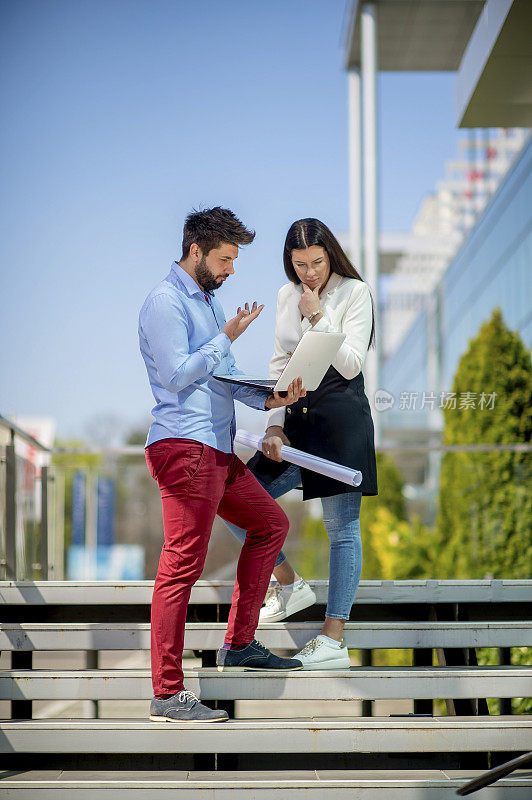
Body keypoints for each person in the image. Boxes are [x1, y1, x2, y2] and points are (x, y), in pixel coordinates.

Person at [139, 207, 307, 724]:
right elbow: (176, 376)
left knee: (271, 524)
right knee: (181, 566)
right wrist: (225, 337)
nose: (232, 269)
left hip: (217, 448)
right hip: (184, 448)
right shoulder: (165, 303)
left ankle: (239, 643)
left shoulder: (208, 305)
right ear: (196, 251)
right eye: (225, 259)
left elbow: (226, 379)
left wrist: (273, 399)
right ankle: (167, 694)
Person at [223, 217, 378, 670]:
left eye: (316, 262)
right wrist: (272, 424)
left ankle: (333, 638)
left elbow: (350, 364)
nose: (309, 273)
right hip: (293, 418)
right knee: (237, 501)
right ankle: (289, 584)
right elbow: (278, 361)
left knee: (341, 529)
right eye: (299, 264)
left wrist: (317, 315)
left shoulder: (355, 292)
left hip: (340, 419)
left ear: (330, 255)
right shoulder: (284, 295)